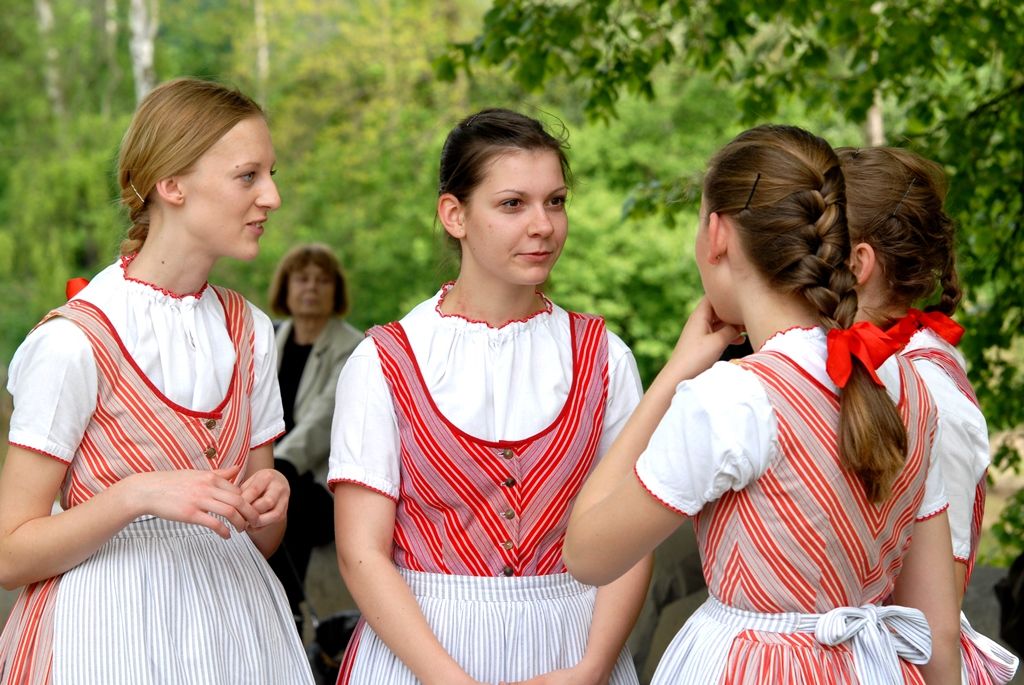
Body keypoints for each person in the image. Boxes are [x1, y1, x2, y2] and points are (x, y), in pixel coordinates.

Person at [562, 124, 963, 684]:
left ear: (717, 235)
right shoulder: (908, 385)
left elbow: (586, 555)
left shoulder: (732, 398)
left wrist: (675, 374)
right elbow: (937, 628)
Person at [0, 77, 314, 683]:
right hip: (105, 637)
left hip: (237, 632)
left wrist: (268, 501)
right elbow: (10, 553)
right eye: (249, 176)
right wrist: (136, 495)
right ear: (172, 186)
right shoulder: (73, 342)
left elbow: (258, 540)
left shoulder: (248, 330)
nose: (272, 197)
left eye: (272, 174)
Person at [328, 108, 650, 684]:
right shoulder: (384, 361)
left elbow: (629, 536)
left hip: (572, 647)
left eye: (556, 201)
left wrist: (592, 668)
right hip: (422, 651)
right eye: (512, 204)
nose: (543, 225)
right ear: (454, 214)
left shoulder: (605, 358)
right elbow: (361, 552)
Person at [840, 145, 1020, 684]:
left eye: (812, 240)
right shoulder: (874, 362)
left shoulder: (929, 392)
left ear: (857, 263)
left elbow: (935, 599)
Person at [267, 243, 363, 634]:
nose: (311, 288)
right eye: (302, 279)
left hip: (321, 484)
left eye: (323, 281)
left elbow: (323, 421)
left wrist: (279, 466)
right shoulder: (268, 339)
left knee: (283, 499)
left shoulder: (353, 348)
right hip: (272, 469)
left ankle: (287, 609)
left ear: (336, 291)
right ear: (286, 287)